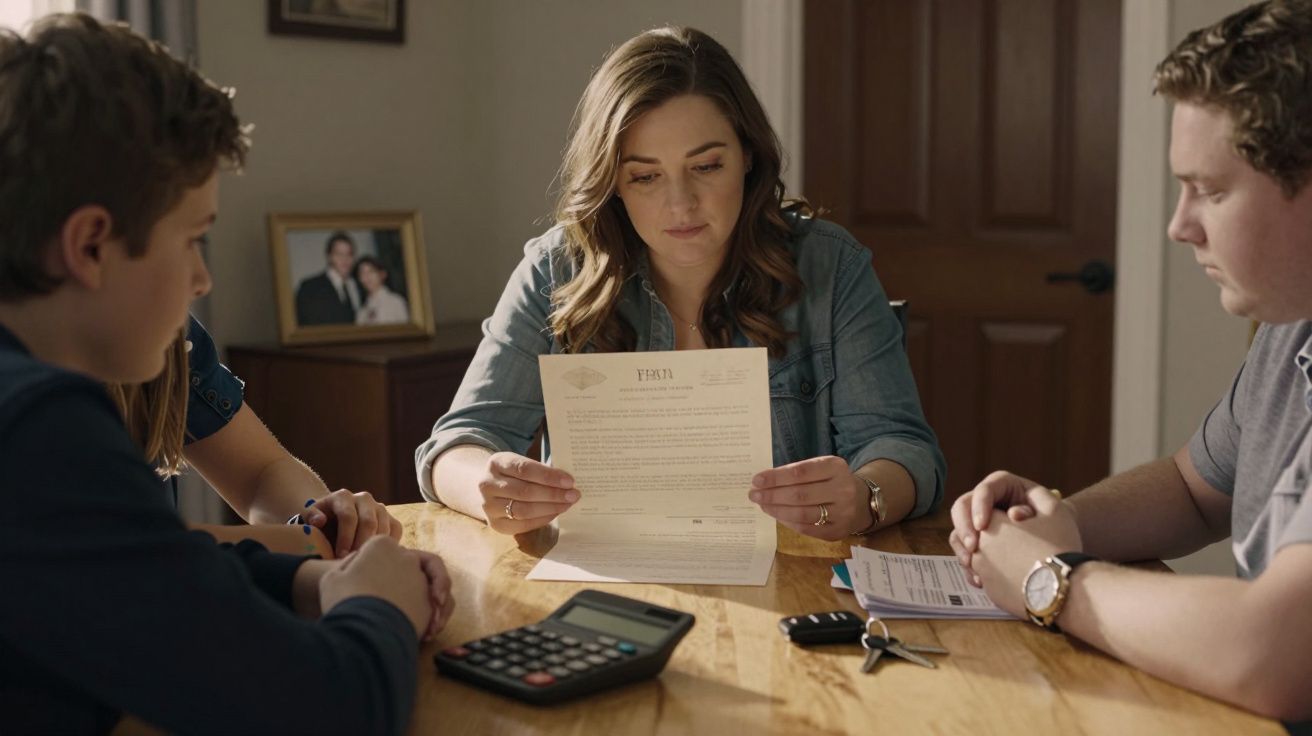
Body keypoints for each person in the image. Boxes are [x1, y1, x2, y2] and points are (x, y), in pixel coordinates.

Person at [0, 14, 452, 734]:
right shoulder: (38, 429)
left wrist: (319, 580)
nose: (205, 279)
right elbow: (336, 710)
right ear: (89, 245)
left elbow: (151, 572)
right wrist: (381, 604)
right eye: (193, 240)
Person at [417, 26, 945, 540]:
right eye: (645, 176)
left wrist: (864, 496)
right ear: (614, 185)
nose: (681, 203)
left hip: (790, 581)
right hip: (605, 587)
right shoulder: (559, 268)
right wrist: (486, 485)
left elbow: (903, 448)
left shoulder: (830, 265)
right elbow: (457, 444)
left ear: (749, 159)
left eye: (707, 166)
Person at [948, 0, 1312, 726]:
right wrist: (1051, 523)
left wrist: (1053, 580)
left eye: (1210, 190)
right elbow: (1190, 489)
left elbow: (1272, 653)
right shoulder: (1291, 324)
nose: (1180, 226)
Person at [108, 314, 402, 556]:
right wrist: (308, 547)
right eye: (184, 247)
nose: (201, 280)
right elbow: (134, 552)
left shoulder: (173, 332)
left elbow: (259, 474)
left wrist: (320, 520)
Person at [295, 230, 360, 325]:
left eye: (349, 254)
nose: (345, 259)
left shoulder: (359, 286)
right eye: (339, 254)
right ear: (329, 256)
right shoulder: (310, 287)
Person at [354, 255, 410, 325]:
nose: (367, 277)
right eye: (362, 273)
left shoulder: (397, 302)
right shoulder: (362, 312)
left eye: (371, 271)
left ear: (383, 274)